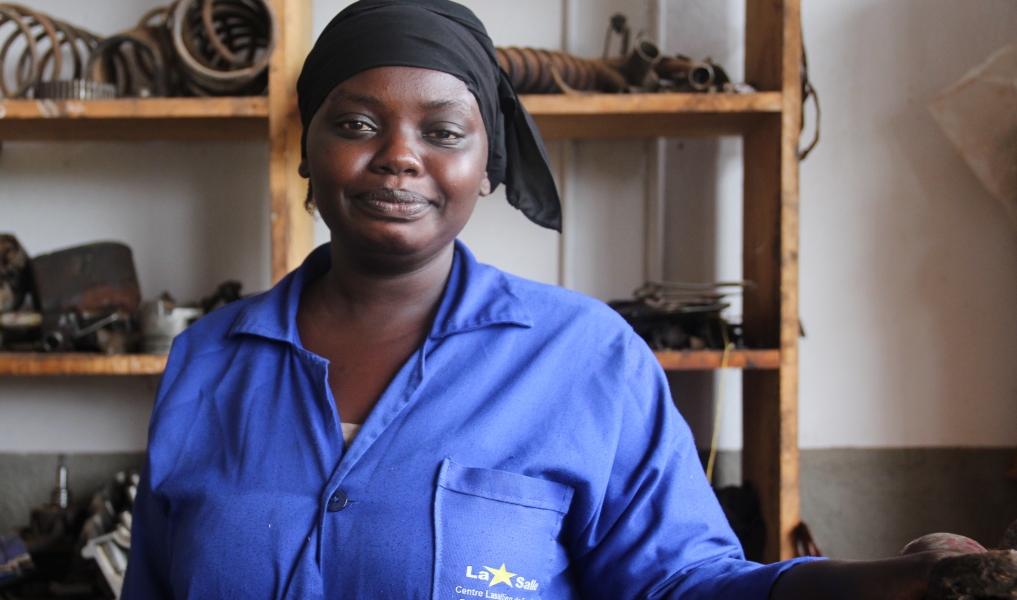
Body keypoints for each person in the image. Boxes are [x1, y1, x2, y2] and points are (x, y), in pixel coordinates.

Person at [121, 1, 954, 597]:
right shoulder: (208, 361)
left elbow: (682, 583)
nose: (399, 157)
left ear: (487, 165)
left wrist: (893, 583)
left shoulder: (587, 358)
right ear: (308, 149)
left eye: (443, 131)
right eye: (357, 124)